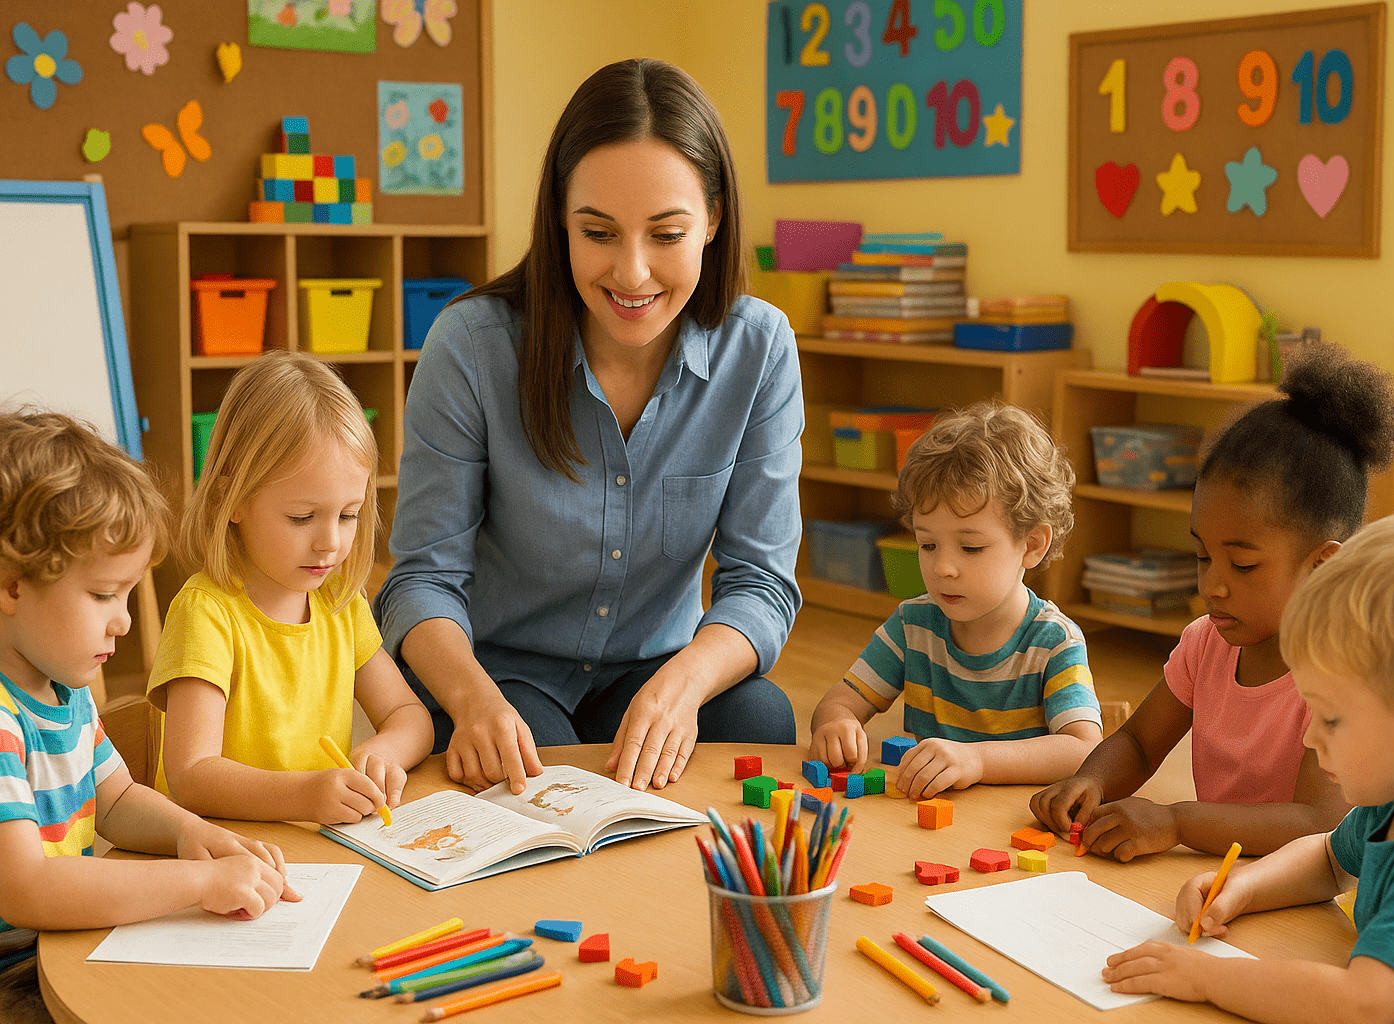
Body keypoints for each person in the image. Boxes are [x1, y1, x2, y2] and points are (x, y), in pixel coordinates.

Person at [374, 58, 801, 795]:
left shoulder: (759, 348)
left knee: (759, 718)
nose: (632, 274)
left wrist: (683, 686)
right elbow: (422, 579)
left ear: (714, 219)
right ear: (559, 221)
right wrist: (474, 700)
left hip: (655, 664)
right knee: (536, 759)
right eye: (598, 232)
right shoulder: (472, 346)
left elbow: (760, 581)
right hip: (500, 667)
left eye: (666, 234)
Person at [1104, 511, 1394, 1024]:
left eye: (1330, 718)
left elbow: (1361, 1004)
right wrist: (1245, 886)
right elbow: (1329, 858)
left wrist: (1205, 978)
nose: (1310, 737)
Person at [1032, 344, 1394, 860]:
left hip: (1317, 898)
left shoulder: (1344, 675)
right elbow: (1140, 742)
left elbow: (1317, 825)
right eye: (1203, 556)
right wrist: (1091, 781)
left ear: (1323, 567)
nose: (1214, 585)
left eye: (1243, 565)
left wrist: (1176, 822)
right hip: (1219, 877)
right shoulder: (1206, 642)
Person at [0, 412, 296, 1023]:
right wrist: (196, 885)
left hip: (56, 954)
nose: (125, 622)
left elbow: (115, 801)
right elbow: (25, 887)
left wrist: (194, 835)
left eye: (129, 594)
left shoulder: (64, 689)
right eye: (104, 594)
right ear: (11, 585)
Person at [149, 352, 433, 824]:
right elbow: (191, 774)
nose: (331, 542)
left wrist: (385, 751)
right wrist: (303, 795)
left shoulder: (337, 600)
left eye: (348, 514)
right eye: (302, 517)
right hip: (220, 861)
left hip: (311, 858)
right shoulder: (205, 614)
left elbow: (410, 714)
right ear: (231, 499)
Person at [808, 401, 1102, 800]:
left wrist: (977, 761)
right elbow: (839, 702)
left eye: (970, 547)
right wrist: (835, 724)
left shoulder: (1054, 642)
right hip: (926, 828)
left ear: (1032, 545)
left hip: (1013, 834)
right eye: (928, 543)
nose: (943, 567)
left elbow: (1083, 750)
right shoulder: (913, 625)